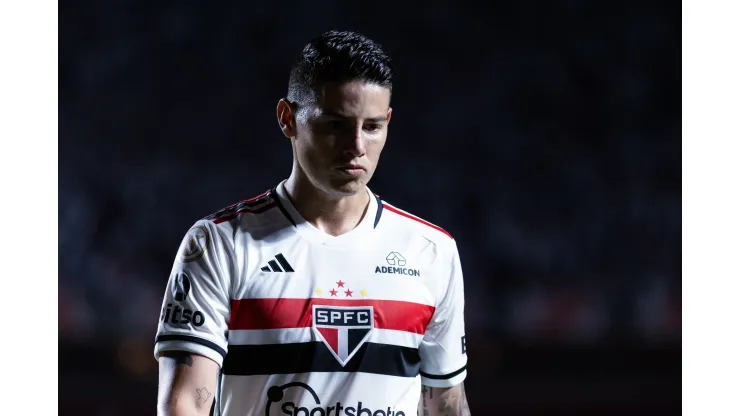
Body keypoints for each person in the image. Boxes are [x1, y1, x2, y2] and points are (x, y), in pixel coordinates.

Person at [154, 30, 471, 416]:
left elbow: (447, 404)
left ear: (388, 121)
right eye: (335, 125)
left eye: (372, 127)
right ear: (288, 119)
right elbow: (184, 404)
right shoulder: (220, 244)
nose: (357, 146)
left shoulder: (431, 251)